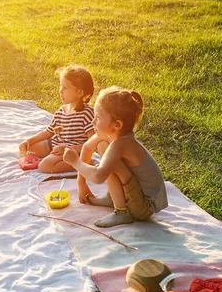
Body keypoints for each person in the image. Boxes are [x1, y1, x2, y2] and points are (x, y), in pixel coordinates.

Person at [63, 86, 168, 227]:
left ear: (117, 124)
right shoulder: (113, 136)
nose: (92, 122)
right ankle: (112, 197)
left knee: (110, 161)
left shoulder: (121, 144)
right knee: (102, 146)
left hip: (144, 207)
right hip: (137, 195)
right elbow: (87, 147)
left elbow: (98, 176)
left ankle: (122, 213)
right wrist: (80, 183)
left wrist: (75, 162)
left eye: (98, 118)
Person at [19, 66, 95, 173]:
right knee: (28, 150)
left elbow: (92, 143)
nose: (60, 91)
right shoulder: (61, 111)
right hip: (56, 145)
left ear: (79, 93)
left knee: (45, 166)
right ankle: (55, 156)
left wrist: (69, 149)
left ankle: (84, 163)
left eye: (65, 88)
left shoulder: (87, 114)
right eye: (61, 86)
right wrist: (28, 141)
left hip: (72, 151)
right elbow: (48, 132)